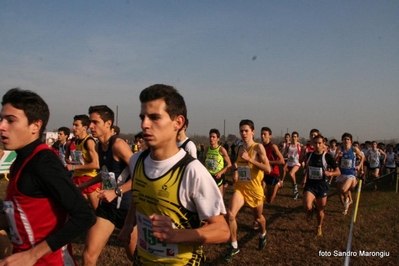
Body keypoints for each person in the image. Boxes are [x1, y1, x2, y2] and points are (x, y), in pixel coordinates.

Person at [118, 84, 229, 265]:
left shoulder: (193, 172)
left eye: (154, 117)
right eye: (143, 117)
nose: (144, 124)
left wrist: (176, 235)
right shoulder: (136, 161)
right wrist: (129, 224)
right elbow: (138, 197)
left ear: (178, 122)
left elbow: (223, 231)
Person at [0, 88, 96, 265]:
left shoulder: (43, 162)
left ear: (35, 126)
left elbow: (85, 216)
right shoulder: (19, 161)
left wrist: (31, 255)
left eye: (11, 120)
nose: (2, 126)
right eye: (2, 119)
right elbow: (23, 212)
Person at [80, 105, 137, 265]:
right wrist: (84, 185)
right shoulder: (99, 146)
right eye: (90, 122)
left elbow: (140, 176)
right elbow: (106, 173)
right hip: (107, 209)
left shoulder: (118, 145)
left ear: (108, 123)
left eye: (95, 122)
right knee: (88, 255)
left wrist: (116, 192)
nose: (90, 126)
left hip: (127, 210)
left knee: (135, 257)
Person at [224, 119, 271, 263]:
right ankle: (234, 246)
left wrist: (250, 160)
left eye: (246, 131)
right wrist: (236, 171)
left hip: (255, 190)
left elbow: (268, 169)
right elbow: (238, 162)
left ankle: (263, 234)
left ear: (253, 132)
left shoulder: (258, 148)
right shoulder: (239, 148)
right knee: (230, 214)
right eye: (241, 131)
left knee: (258, 218)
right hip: (241, 188)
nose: (243, 133)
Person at [303, 135, 340, 237]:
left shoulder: (327, 156)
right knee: (306, 205)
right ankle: (310, 209)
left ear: (324, 144)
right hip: (310, 185)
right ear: (312, 144)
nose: (317, 145)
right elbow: (307, 168)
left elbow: (338, 171)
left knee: (320, 210)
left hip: (322, 185)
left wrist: (330, 174)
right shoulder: (309, 155)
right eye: (315, 143)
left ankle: (319, 226)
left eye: (320, 143)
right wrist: (305, 177)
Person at [65, 114, 100, 210]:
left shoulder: (89, 141)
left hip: (89, 179)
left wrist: (73, 167)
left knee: (96, 211)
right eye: (73, 125)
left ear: (84, 128)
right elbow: (77, 161)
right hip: (76, 177)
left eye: (76, 125)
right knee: (76, 209)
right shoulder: (74, 141)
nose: (73, 128)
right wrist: (71, 163)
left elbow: (96, 164)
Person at [335, 133, 365, 215]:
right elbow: (334, 160)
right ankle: (346, 205)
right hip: (341, 173)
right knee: (340, 192)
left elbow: (363, 157)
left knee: (344, 189)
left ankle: (348, 200)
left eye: (348, 139)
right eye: (344, 139)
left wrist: (359, 166)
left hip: (350, 173)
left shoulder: (354, 149)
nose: (346, 141)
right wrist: (338, 156)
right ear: (342, 141)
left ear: (351, 141)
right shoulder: (339, 148)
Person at [204, 128, 232, 196]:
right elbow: (204, 161)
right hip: (209, 176)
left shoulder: (221, 150)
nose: (211, 138)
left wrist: (220, 173)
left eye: (213, 137)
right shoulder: (207, 149)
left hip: (218, 176)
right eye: (210, 136)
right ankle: (225, 184)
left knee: (219, 199)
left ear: (218, 139)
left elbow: (229, 164)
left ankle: (225, 185)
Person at [260, 127, 285, 204]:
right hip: (263, 173)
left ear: (270, 136)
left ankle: (278, 184)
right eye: (261, 134)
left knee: (269, 200)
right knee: (260, 191)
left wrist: (268, 162)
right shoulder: (260, 146)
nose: (263, 136)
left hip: (273, 174)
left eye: (265, 134)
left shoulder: (273, 146)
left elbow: (282, 161)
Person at [283, 131, 302, 200]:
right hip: (289, 163)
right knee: (292, 178)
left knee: (291, 174)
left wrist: (303, 161)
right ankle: (295, 191)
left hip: (296, 163)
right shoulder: (288, 145)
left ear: (297, 138)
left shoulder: (299, 145)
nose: (294, 138)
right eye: (293, 136)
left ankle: (295, 187)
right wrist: (284, 156)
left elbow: (302, 154)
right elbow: (284, 153)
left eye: (295, 137)